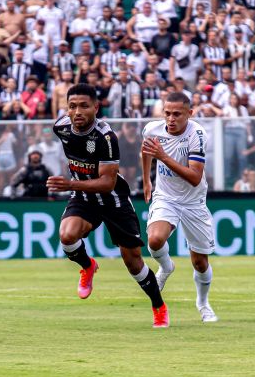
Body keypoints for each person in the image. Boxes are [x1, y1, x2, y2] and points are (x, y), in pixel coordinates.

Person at [48, 83, 168, 327]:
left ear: (96, 107)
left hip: (113, 199)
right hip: (83, 197)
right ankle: (88, 266)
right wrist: (74, 185)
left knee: (133, 261)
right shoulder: (61, 127)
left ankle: (159, 305)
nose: (77, 111)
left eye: (84, 106)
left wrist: (70, 185)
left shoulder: (106, 137)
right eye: (72, 106)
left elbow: (106, 182)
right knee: (66, 236)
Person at [141, 92, 218, 323]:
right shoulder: (152, 129)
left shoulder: (198, 134)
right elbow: (145, 151)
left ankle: (203, 303)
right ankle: (166, 267)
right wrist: (147, 180)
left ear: (189, 114)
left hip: (194, 202)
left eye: (177, 114)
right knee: (154, 240)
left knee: (199, 262)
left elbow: (195, 177)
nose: (171, 119)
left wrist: (163, 157)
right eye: (167, 113)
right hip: (166, 197)